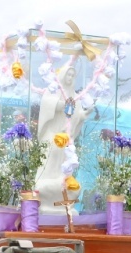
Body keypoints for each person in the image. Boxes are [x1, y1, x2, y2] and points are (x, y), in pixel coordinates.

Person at [35, 63, 91, 214]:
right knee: (49, 162)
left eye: (73, 76)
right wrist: (61, 105)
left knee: (63, 166)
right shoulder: (53, 91)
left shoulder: (74, 96)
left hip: (64, 140)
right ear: (62, 75)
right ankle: (44, 191)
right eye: (69, 74)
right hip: (52, 136)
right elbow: (47, 104)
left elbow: (76, 115)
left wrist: (83, 115)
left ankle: (61, 190)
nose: (71, 78)